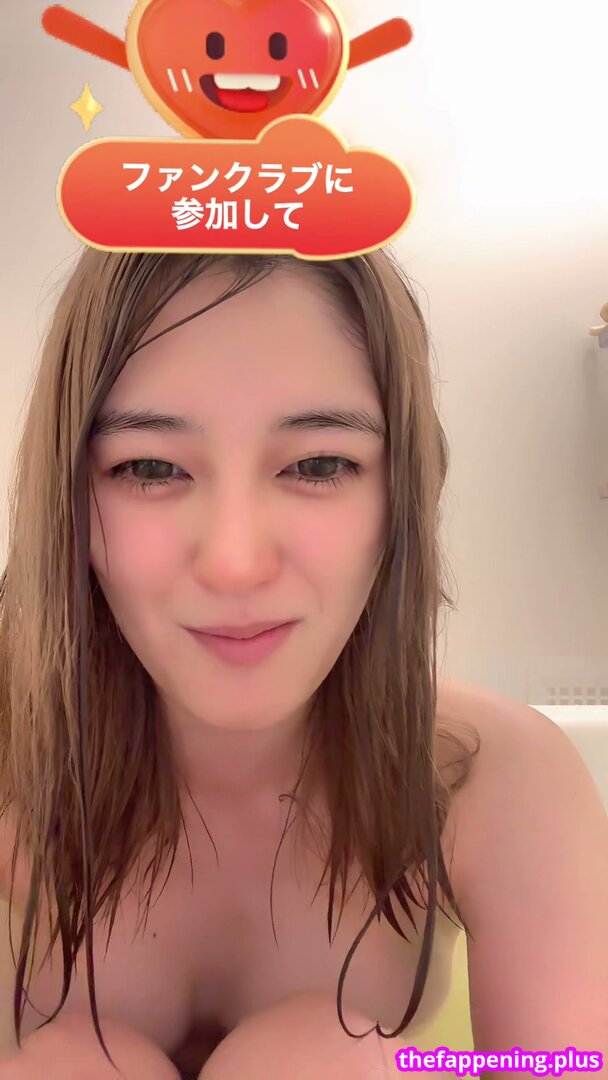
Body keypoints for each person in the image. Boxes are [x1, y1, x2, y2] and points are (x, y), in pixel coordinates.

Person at [0, 248, 606, 1080]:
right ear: (69, 496)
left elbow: (568, 1065)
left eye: (318, 465)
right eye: (150, 467)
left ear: (401, 494)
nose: (236, 563)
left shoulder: (493, 776)